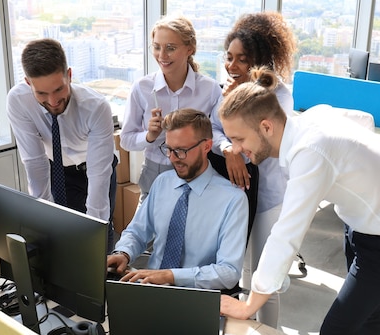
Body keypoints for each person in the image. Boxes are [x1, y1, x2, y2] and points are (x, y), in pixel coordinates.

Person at [218, 67, 380, 335]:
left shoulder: (310, 152)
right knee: (366, 312)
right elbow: (364, 119)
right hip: (360, 220)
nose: (236, 149)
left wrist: (250, 305)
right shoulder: (311, 116)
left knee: (337, 329)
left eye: (238, 139)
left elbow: (286, 234)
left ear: (266, 126)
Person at [210, 11, 297, 327]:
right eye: (229, 57)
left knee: (264, 278)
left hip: (269, 198)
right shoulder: (228, 87)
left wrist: (238, 145)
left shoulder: (279, 95)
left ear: (258, 60)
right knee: (232, 273)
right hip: (236, 194)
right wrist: (227, 147)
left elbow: (260, 146)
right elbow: (212, 129)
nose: (232, 66)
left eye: (241, 59)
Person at [108, 108, 249, 290]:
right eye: (169, 149)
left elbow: (228, 272)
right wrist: (123, 253)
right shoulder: (162, 183)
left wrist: (170, 276)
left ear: (206, 146)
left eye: (181, 151)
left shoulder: (233, 200)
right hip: (150, 288)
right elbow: (137, 231)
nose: (173, 159)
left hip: (196, 297)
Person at [6, 38, 117, 252]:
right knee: (59, 230)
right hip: (57, 169)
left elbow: (98, 176)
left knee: (101, 227)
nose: (53, 100)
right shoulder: (18, 101)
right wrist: (42, 221)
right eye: (42, 93)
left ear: (69, 75)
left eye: (58, 89)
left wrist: (94, 236)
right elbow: (35, 162)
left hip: (96, 167)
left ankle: (102, 279)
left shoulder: (96, 107)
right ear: (29, 83)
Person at [119, 15, 222, 201]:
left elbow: (215, 134)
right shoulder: (141, 88)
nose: (162, 55)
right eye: (157, 47)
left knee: (190, 228)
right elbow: (125, 140)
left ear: (189, 49)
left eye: (170, 48)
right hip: (154, 172)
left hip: (196, 174)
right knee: (146, 228)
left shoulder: (210, 89)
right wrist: (149, 136)